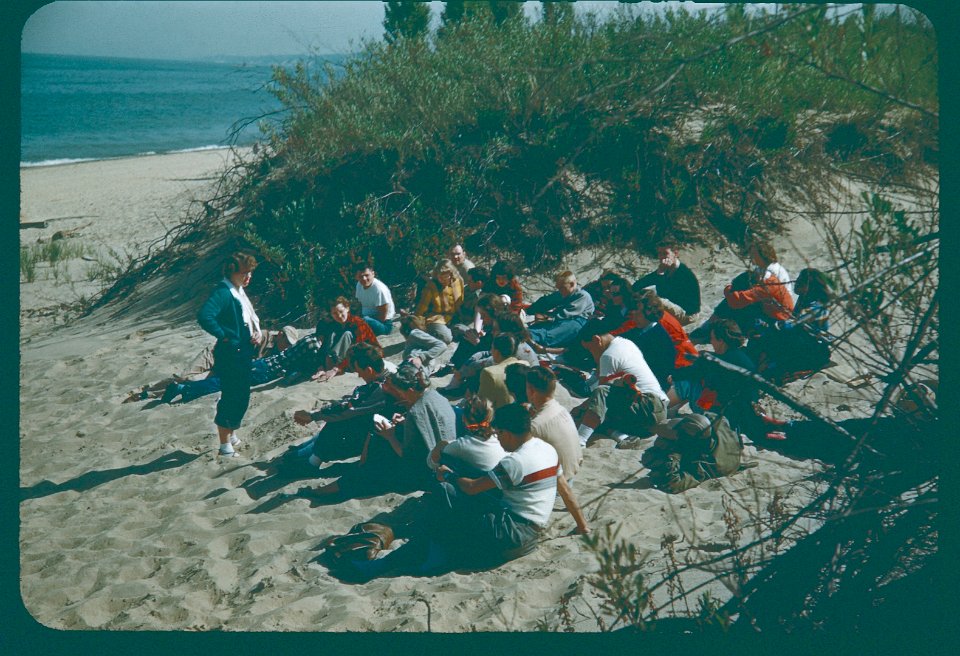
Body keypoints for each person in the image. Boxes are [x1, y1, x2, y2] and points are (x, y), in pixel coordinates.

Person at [304, 361, 457, 499]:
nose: (399, 395)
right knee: (379, 447)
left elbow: (409, 456)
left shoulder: (416, 412)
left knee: (374, 463)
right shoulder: (436, 397)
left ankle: (325, 491)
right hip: (445, 460)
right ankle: (355, 472)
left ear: (410, 390)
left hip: (423, 473)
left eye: (400, 392)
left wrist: (390, 436)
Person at [289, 343, 397, 469]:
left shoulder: (379, 388)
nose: (359, 375)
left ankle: (311, 461)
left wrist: (312, 416)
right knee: (337, 414)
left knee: (338, 420)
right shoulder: (386, 370)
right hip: (381, 424)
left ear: (369, 370)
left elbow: (348, 409)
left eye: (360, 371)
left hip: (379, 435)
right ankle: (305, 451)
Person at [196, 251, 261, 457]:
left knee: (241, 394)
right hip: (231, 353)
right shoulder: (224, 292)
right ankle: (225, 445)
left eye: (250, 273)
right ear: (233, 272)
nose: (248, 277)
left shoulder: (237, 290)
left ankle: (231, 431)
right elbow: (205, 316)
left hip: (242, 351)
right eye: (244, 273)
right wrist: (225, 336)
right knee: (232, 396)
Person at [573, 322, 669, 450]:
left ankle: (580, 440)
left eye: (590, 349)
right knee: (594, 417)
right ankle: (622, 436)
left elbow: (600, 396)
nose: (591, 353)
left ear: (597, 340)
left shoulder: (608, 356)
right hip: (658, 411)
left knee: (595, 407)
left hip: (646, 409)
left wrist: (579, 410)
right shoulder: (626, 343)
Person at [667, 319, 758, 433]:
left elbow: (690, 373)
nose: (711, 342)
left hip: (718, 415)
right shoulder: (741, 358)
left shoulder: (716, 363)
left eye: (712, 339)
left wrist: (671, 376)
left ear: (721, 341)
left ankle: (662, 407)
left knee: (685, 383)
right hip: (740, 415)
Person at [526, 366, 582, 486]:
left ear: (531, 391)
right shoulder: (561, 410)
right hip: (571, 474)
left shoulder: (535, 426)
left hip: (555, 485)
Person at [313, 296, 382, 382]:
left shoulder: (358, 324)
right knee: (332, 335)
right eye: (335, 313)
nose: (339, 316)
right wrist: (320, 366)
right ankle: (328, 365)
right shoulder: (334, 325)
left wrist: (337, 368)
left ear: (347, 308)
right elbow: (324, 347)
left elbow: (360, 349)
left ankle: (334, 367)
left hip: (368, 356)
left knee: (347, 334)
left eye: (341, 311)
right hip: (345, 359)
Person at [632, 241, 702, 325]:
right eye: (659, 253)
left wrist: (660, 273)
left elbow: (664, 294)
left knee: (655, 300)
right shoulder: (667, 268)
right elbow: (638, 285)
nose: (662, 257)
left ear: (675, 254)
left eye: (665, 253)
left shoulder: (684, 273)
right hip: (675, 307)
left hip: (688, 314)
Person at [527, 270, 595, 349]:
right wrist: (532, 310)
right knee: (536, 328)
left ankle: (528, 336)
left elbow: (567, 313)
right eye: (558, 288)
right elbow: (547, 301)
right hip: (560, 319)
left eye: (562, 288)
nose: (560, 291)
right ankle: (524, 333)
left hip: (577, 322)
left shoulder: (583, 295)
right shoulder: (563, 292)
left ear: (572, 284)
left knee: (549, 336)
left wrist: (547, 317)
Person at [413, 259, 465, 344]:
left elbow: (461, 300)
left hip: (454, 317)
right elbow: (422, 307)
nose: (442, 280)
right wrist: (414, 322)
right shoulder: (431, 286)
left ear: (451, 274)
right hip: (436, 318)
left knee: (466, 333)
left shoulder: (459, 281)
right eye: (440, 277)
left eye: (445, 277)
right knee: (447, 338)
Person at [478, 334, 531, 410]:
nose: (491, 351)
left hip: (499, 418)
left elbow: (482, 406)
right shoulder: (525, 364)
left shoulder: (489, 373)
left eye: (492, 348)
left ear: (497, 352)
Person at [354, 264, 396, 336]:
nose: (364, 278)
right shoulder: (359, 285)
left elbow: (383, 316)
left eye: (367, 275)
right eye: (361, 276)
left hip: (383, 324)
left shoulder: (379, 289)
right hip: (367, 318)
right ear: (357, 277)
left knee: (364, 321)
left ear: (373, 274)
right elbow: (359, 304)